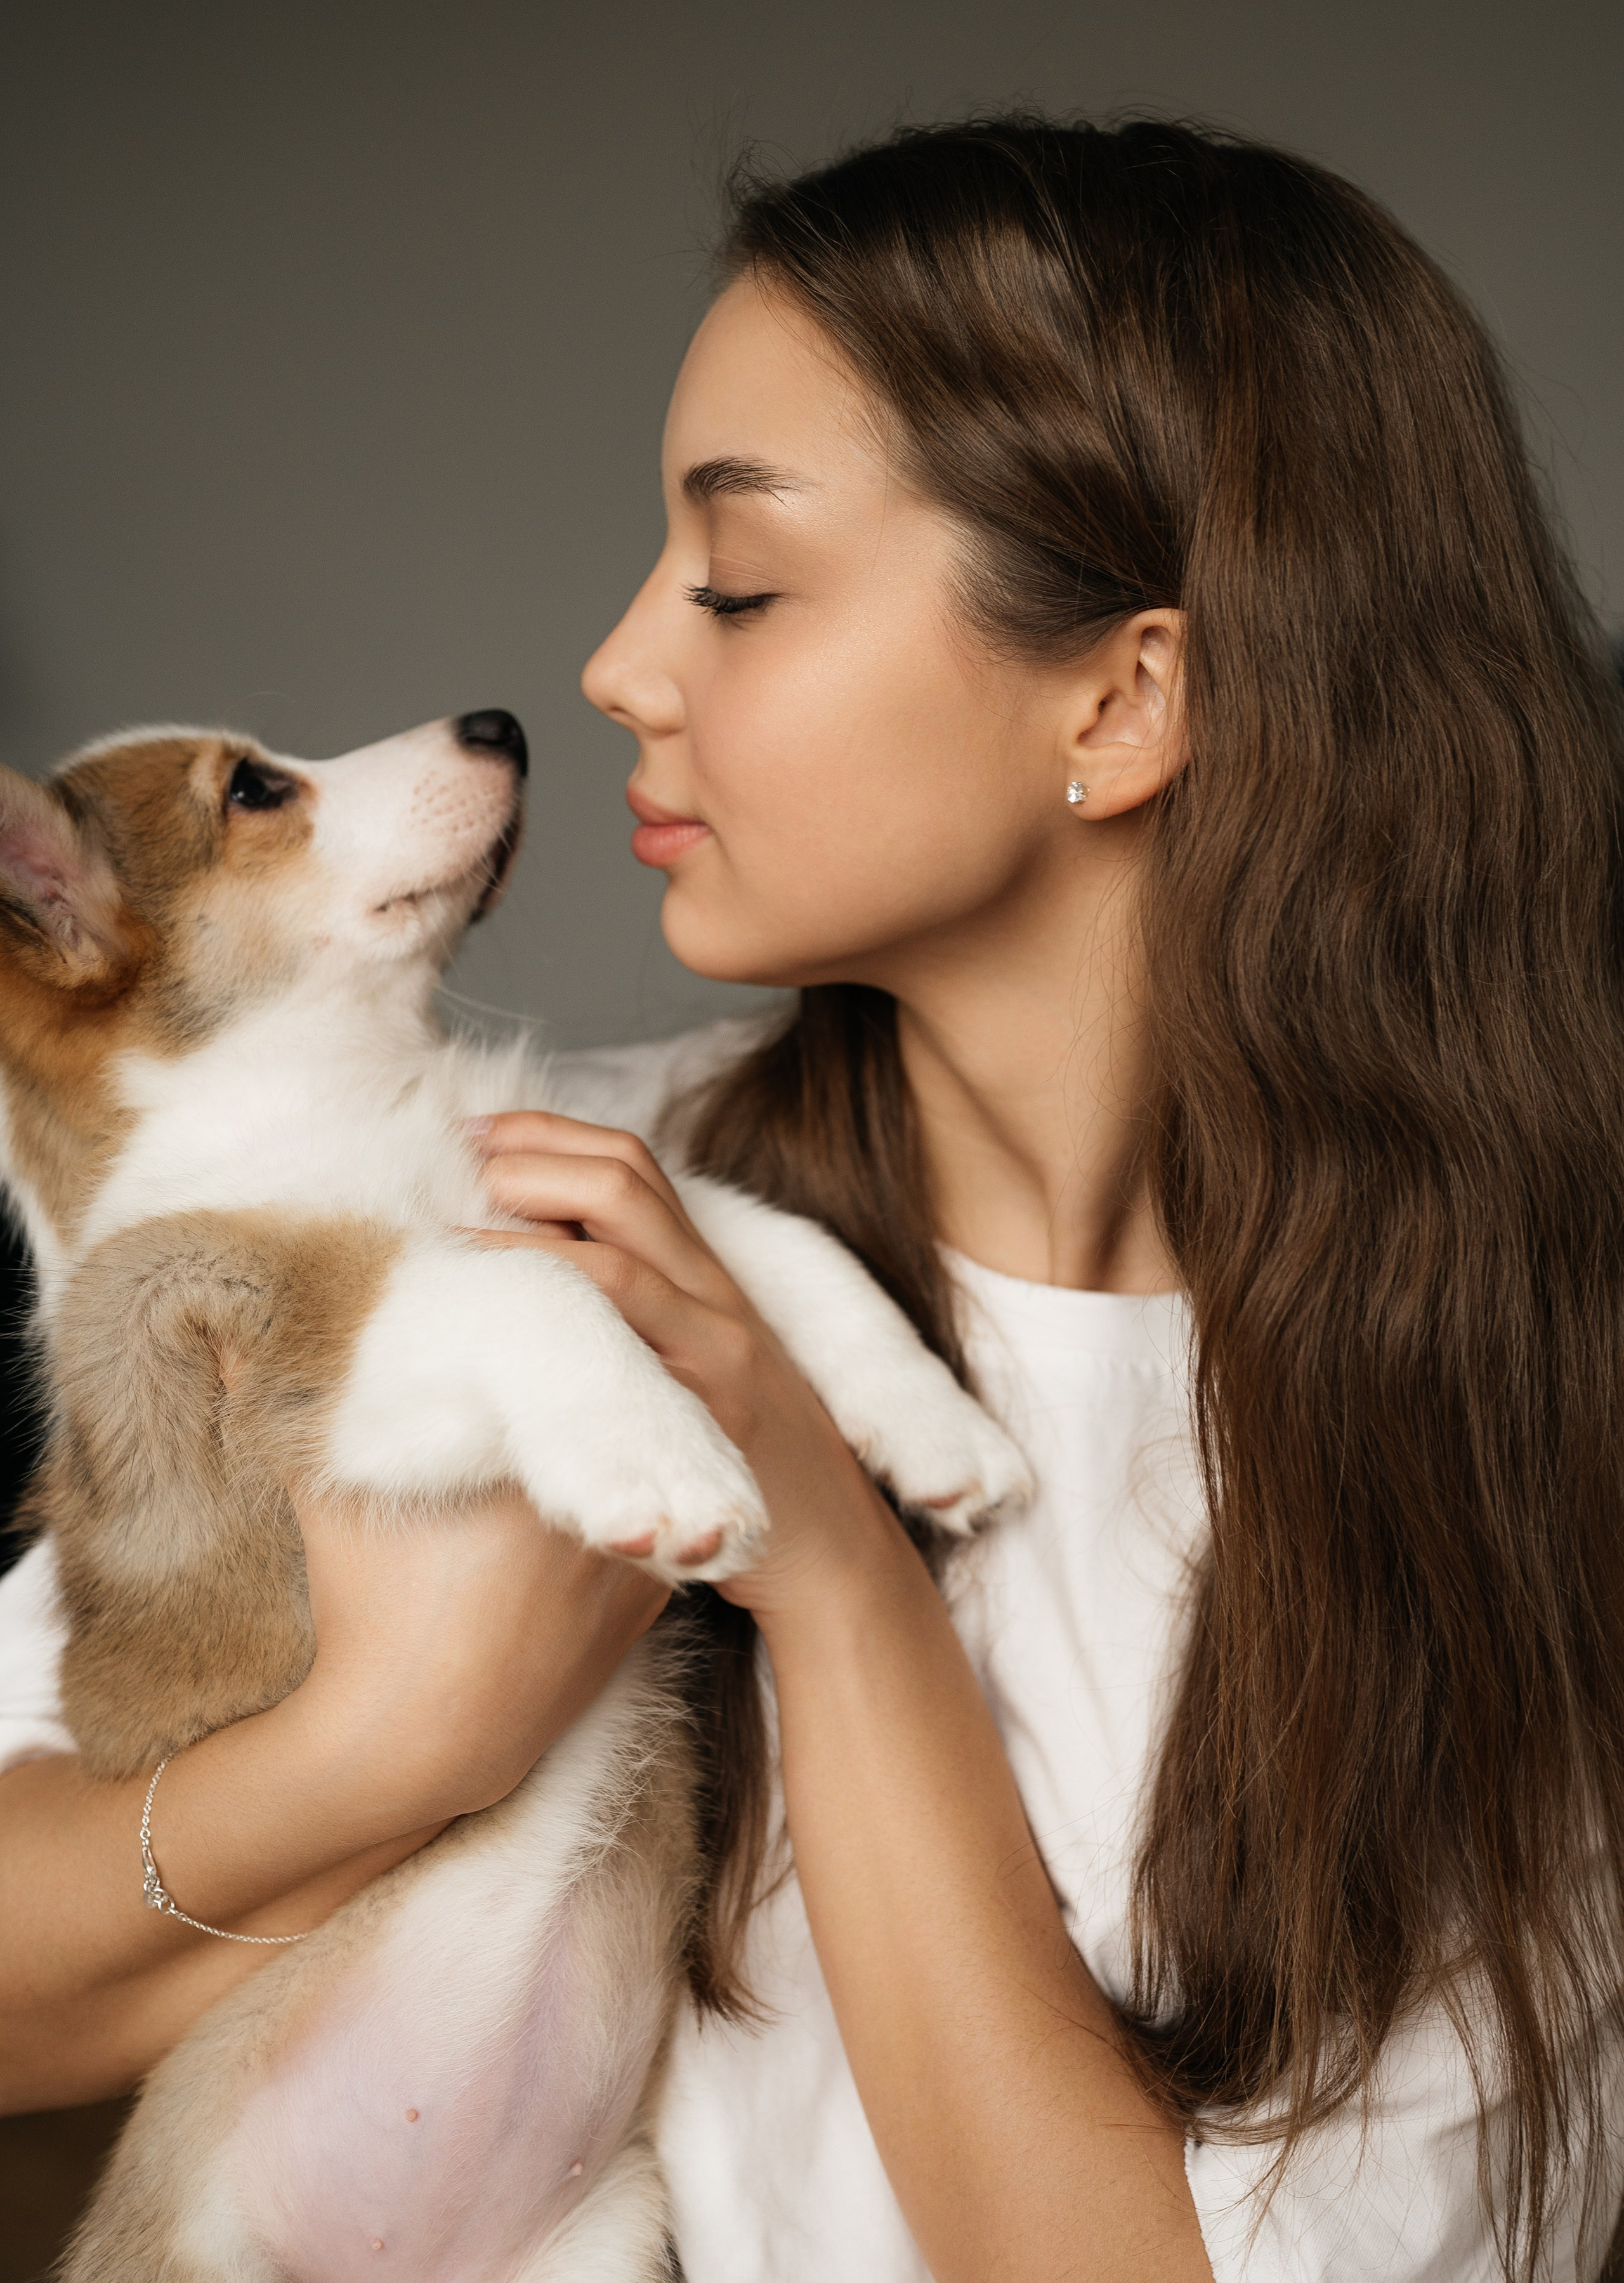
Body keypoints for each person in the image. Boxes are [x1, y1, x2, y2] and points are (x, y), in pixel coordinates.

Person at [2, 115, 1622, 2282]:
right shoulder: (553, 1187)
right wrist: (410, 1728)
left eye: (738, 586)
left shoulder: (1529, 1452)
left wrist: (839, 1577)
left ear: (1127, 697)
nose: (617, 666)